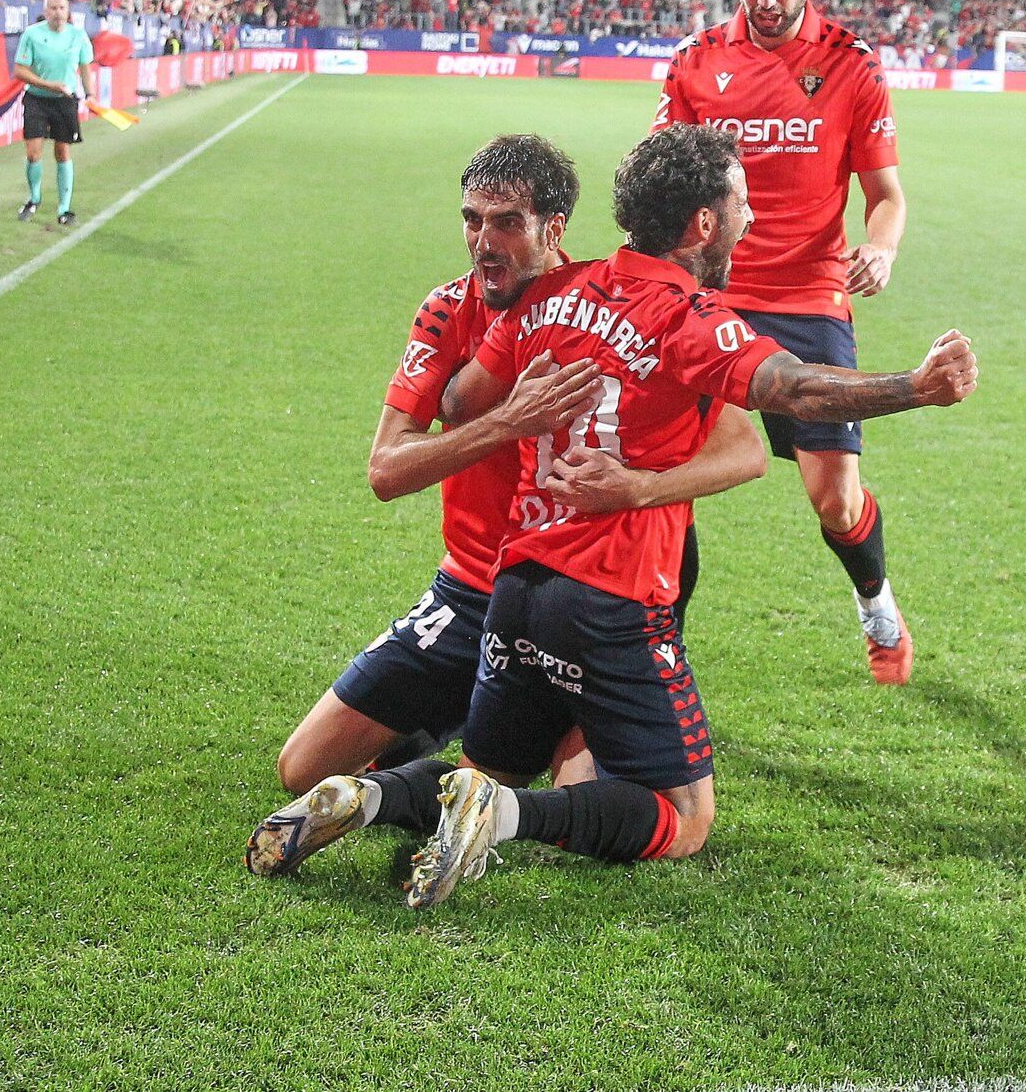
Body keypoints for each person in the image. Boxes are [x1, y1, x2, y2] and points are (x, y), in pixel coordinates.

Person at [249, 125, 976, 908]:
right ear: (705, 222)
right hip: (609, 595)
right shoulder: (690, 318)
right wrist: (916, 387)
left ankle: (372, 797)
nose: (751, 218)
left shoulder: (555, 296)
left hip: (519, 580)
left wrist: (571, 424)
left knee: (486, 772)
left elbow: (458, 400)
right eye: (741, 204)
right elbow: (791, 391)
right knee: (677, 816)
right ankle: (501, 814)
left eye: (505, 222)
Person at [252, 134, 770, 826]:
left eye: (506, 223)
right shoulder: (448, 310)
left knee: (575, 794)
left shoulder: (611, 302)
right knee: (304, 768)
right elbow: (386, 470)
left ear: (554, 228)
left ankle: (506, 738)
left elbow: (744, 447)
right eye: (472, 220)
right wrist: (507, 422)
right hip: (473, 587)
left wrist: (639, 487)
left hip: (582, 588)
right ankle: (461, 724)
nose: (483, 243)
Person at [652, 0, 917, 684]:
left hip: (809, 297)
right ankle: (656, 648)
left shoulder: (849, 63)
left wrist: (880, 246)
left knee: (834, 500)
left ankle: (875, 603)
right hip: (711, 296)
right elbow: (663, 182)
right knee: (662, 478)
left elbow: (886, 194)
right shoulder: (696, 60)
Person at [12, 0, 94, 226]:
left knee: (63, 151)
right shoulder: (32, 34)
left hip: (64, 101)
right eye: (53, 8)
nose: (58, 13)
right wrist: (49, 85)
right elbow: (20, 71)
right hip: (37, 98)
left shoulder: (78, 36)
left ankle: (64, 209)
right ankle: (34, 198)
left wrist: (90, 94)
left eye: (62, 8)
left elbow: (85, 67)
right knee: (33, 152)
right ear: (45, 11)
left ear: (68, 12)